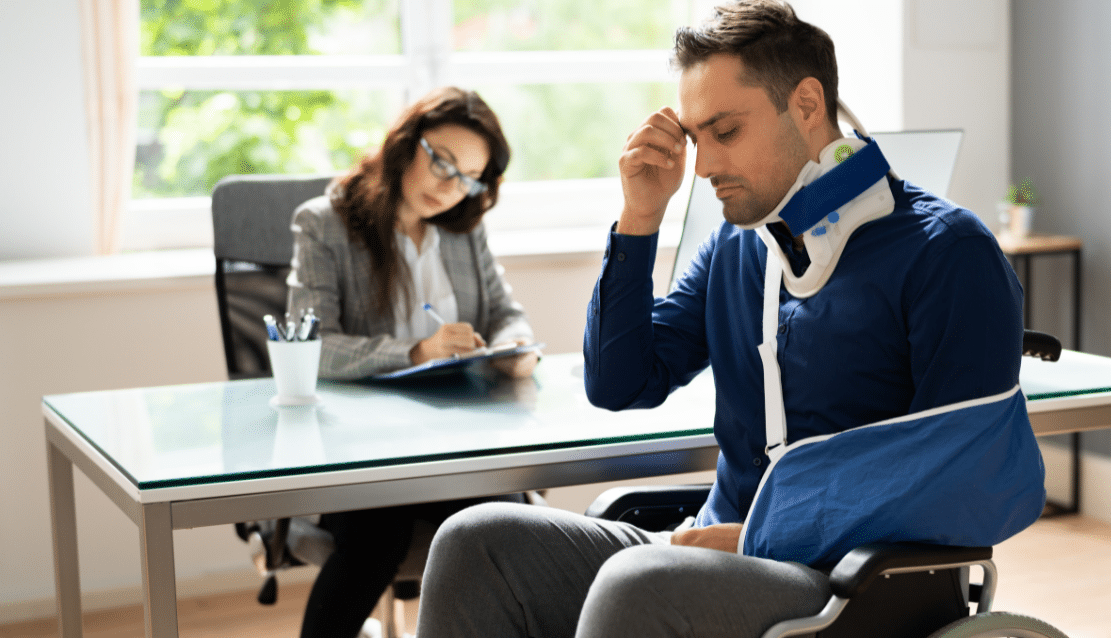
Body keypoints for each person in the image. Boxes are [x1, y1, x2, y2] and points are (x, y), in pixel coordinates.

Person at [412, 2, 1047, 637]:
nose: (706, 165)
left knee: (640, 581)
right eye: (696, 138)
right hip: (709, 552)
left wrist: (752, 539)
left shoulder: (947, 250)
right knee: (478, 541)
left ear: (805, 104)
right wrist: (639, 218)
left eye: (727, 132)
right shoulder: (737, 244)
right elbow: (620, 383)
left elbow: (966, 476)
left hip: (859, 585)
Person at [285, 86, 539, 638]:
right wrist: (415, 352)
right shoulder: (324, 224)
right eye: (442, 163)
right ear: (406, 143)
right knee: (380, 529)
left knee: (516, 521)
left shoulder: (462, 231)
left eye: (468, 178)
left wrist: (518, 349)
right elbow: (313, 344)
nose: (451, 189)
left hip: (452, 443)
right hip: (362, 452)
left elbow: (505, 313)